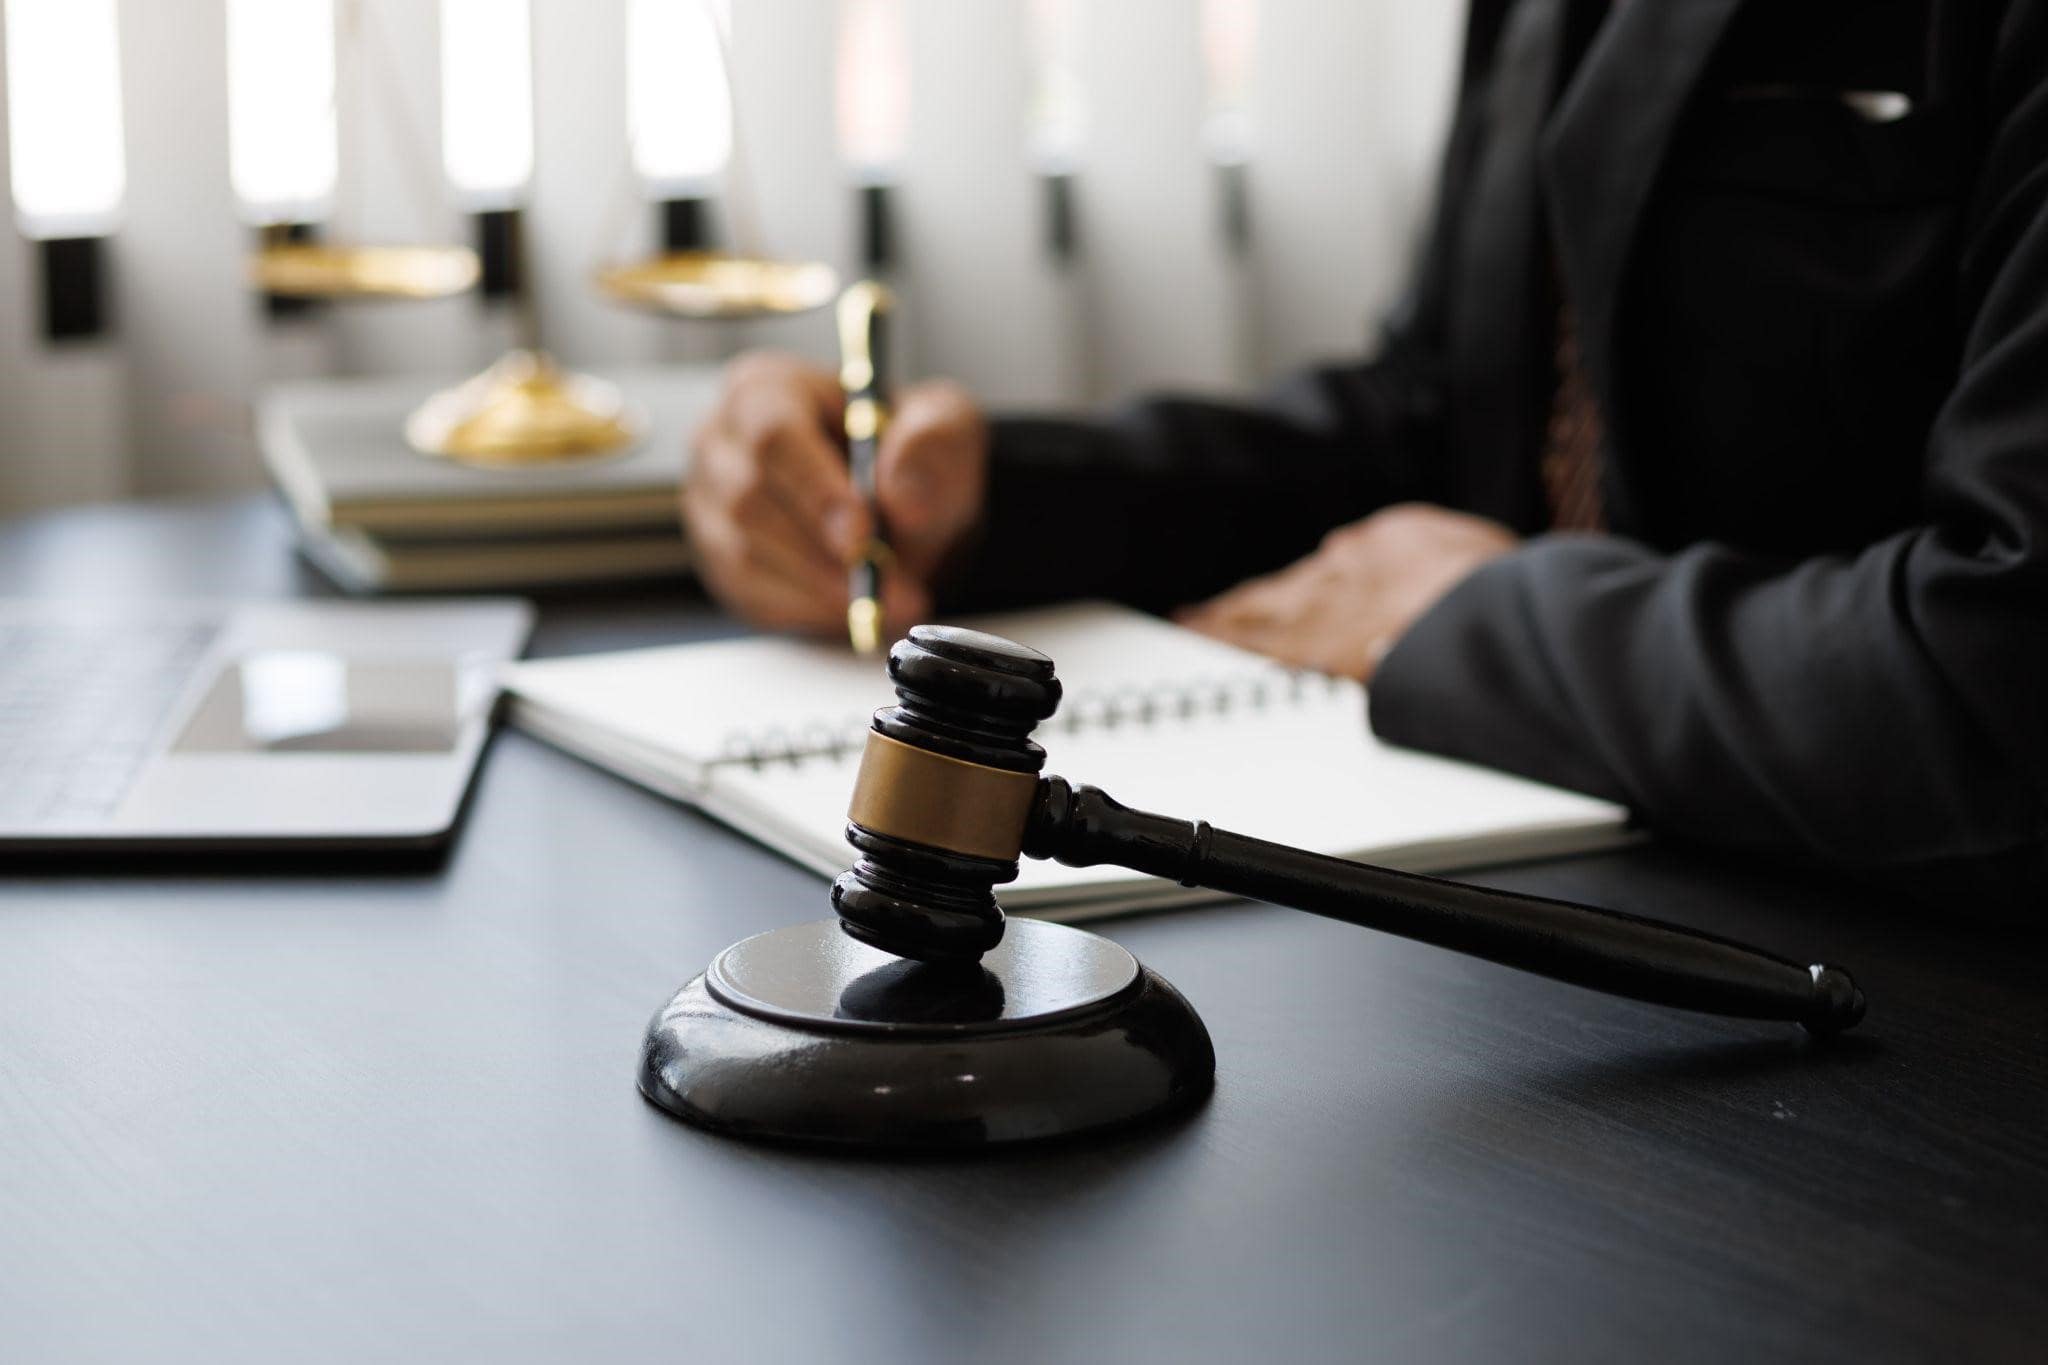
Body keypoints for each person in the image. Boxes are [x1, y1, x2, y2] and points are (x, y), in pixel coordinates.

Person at [682, 0, 2048, 913]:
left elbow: (2010, 655)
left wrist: (1481, 622)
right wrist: (984, 503)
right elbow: (1449, 413)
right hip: (1550, 889)